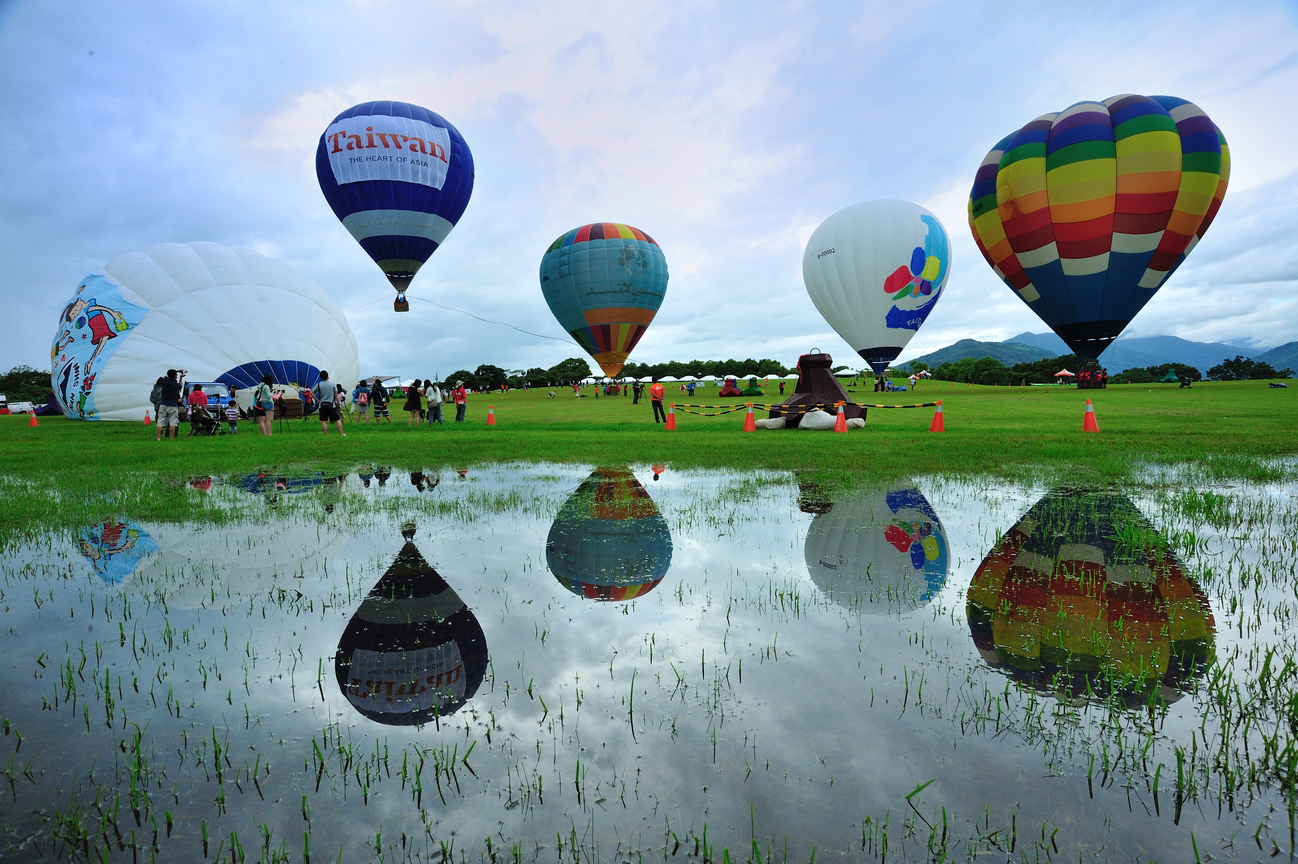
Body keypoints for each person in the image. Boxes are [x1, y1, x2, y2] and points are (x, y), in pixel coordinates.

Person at [313, 371, 346, 436]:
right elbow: (336, 395)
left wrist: (318, 400)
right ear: (328, 376)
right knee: (338, 419)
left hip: (322, 405)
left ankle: (326, 435)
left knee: (324, 420)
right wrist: (339, 404)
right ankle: (341, 434)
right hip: (331, 404)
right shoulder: (333, 384)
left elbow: (312, 393)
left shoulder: (319, 385)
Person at [155, 369, 184, 440]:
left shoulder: (165, 381)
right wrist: (181, 378)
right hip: (172, 405)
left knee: (161, 421)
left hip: (163, 404)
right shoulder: (176, 385)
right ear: (175, 376)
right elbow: (181, 386)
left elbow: (166, 375)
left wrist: (176, 371)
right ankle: (172, 437)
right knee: (173, 422)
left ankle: (158, 438)